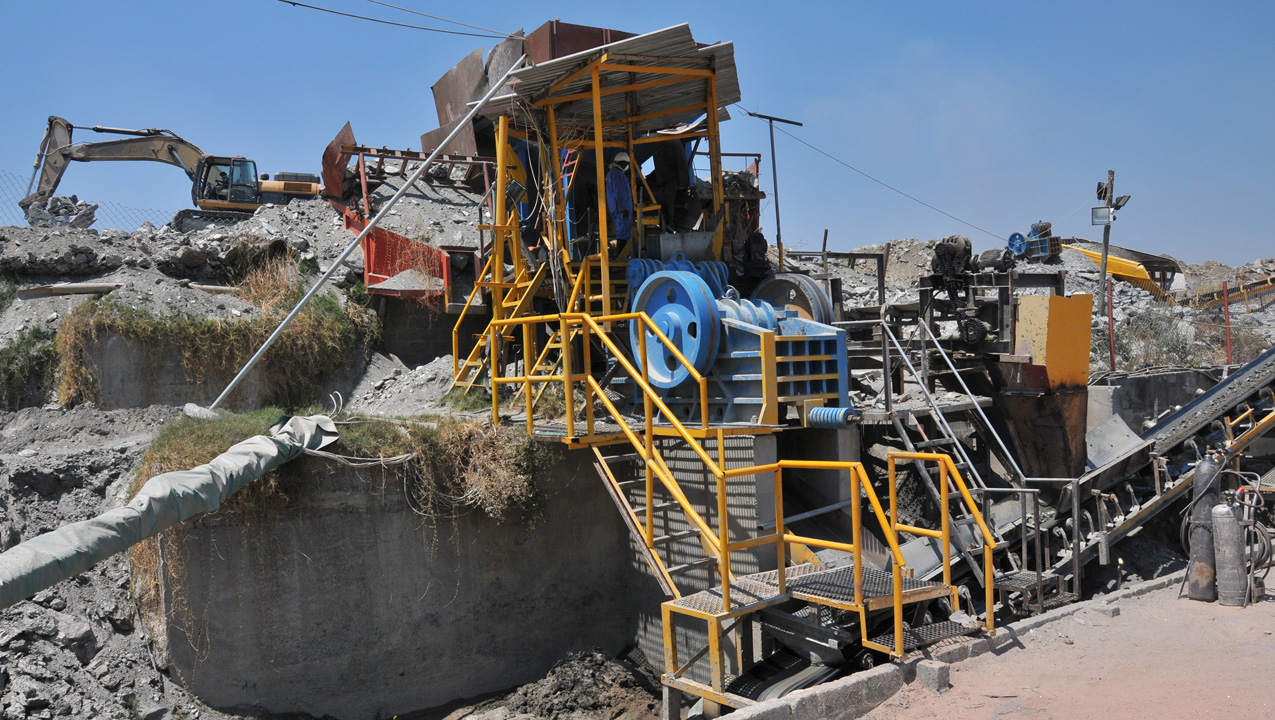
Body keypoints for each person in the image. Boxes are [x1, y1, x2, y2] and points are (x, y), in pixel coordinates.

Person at [605, 152, 634, 255]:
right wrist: (624, 209)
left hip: (617, 209)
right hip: (621, 210)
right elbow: (620, 192)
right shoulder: (617, 174)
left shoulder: (613, 173)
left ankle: (621, 255)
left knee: (623, 232)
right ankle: (620, 256)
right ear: (623, 163)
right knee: (623, 233)